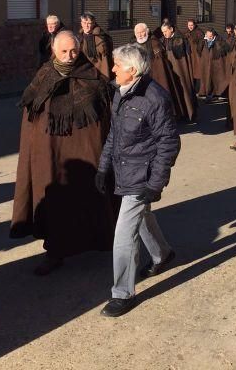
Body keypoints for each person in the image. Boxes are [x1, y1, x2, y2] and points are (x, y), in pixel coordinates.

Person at [11, 31, 117, 276]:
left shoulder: (93, 77)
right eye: (64, 52)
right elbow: (31, 120)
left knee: (88, 201)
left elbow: (105, 118)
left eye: (74, 51)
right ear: (53, 51)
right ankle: (54, 252)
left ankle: (100, 242)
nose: (70, 57)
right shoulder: (43, 76)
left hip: (87, 155)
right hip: (50, 158)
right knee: (55, 206)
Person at [96, 44, 180, 317]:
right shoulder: (120, 92)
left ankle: (122, 293)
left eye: (117, 65)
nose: (112, 69)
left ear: (132, 70)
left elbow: (168, 143)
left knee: (123, 235)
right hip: (124, 171)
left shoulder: (155, 98)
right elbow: (114, 134)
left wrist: (155, 184)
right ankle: (163, 254)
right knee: (141, 217)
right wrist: (102, 167)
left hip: (141, 176)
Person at [133, 23, 194, 122]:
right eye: (137, 33)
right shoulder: (135, 45)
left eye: (142, 32)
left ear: (147, 32)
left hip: (156, 78)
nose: (140, 35)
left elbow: (159, 66)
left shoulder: (154, 43)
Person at [160, 21, 197, 122]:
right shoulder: (164, 40)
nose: (164, 34)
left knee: (184, 90)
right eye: (162, 32)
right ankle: (179, 114)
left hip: (181, 70)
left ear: (171, 29)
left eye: (165, 31)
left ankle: (189, 114)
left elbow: (183, 57)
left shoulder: (180, 39)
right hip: (172, 71)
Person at [198, 28, 231, 101]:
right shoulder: (204, 41)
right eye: (207, 36)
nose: (209, 38)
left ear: (214, 36)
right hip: (206, 63)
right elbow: (199, 50)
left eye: (210, 36)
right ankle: (207, 92)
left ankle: (216, 92)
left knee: (215, 78)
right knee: (207, 77)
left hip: (216, 64)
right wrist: (203, 41)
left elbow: (223, 51)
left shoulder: (219, 41)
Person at [78, 12, 114, 79]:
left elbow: (106, 57)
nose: (86, 25)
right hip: (85, 71)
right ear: (81, 23)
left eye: (89, 23)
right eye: (84, 23)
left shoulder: (102, 37)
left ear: (94, 23)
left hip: (100, 71)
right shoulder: (79, 38)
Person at [183, 19, 205, 88]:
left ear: (194, 25)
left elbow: (202, 41)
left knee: (198, 71)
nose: (190, 27)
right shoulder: (186, 32)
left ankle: (199, 88)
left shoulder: (199, 32)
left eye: (191, 25)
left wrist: (199, 50)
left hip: (196, 55)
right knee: (191, 70)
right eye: (189, 25)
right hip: (190, 54)